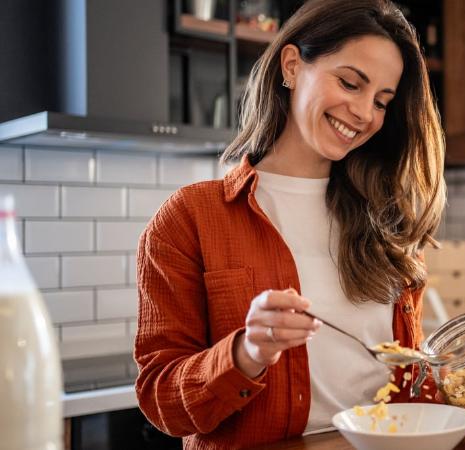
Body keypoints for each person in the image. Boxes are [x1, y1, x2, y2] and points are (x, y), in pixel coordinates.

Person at [133, 0, 446, 448]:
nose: (363, 113)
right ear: (293, 66)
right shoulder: (189, 218)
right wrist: (248, 353)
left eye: (381, 101)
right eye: (350, 83)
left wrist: (464, 379)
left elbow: (406, 385)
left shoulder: (388, 221)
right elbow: (161, 399)